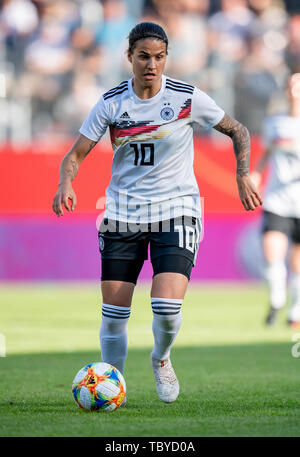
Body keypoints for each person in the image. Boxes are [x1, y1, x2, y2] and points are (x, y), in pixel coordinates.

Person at [52, 22, 262, 404]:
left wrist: (243, 174)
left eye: (160, 57)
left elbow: (238, 130)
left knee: (166, 308)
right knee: (114, 316)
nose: (152, 64)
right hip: (123, 213)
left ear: (166, 58)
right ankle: (112, 387)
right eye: (144, 56)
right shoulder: (112, 102)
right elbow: (75, 154)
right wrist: (66, 182)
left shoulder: (185, 96)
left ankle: (161, 358)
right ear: (129, 57)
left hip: (176, 209)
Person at [251, 73, 300, 327]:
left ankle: (295, 311)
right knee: (272, 251)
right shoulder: (275, 124)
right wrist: (257, 173)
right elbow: (268, 152)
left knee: (297, 260)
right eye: (291, 85)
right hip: (277, 199)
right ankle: (277, 298)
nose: (294, 90)